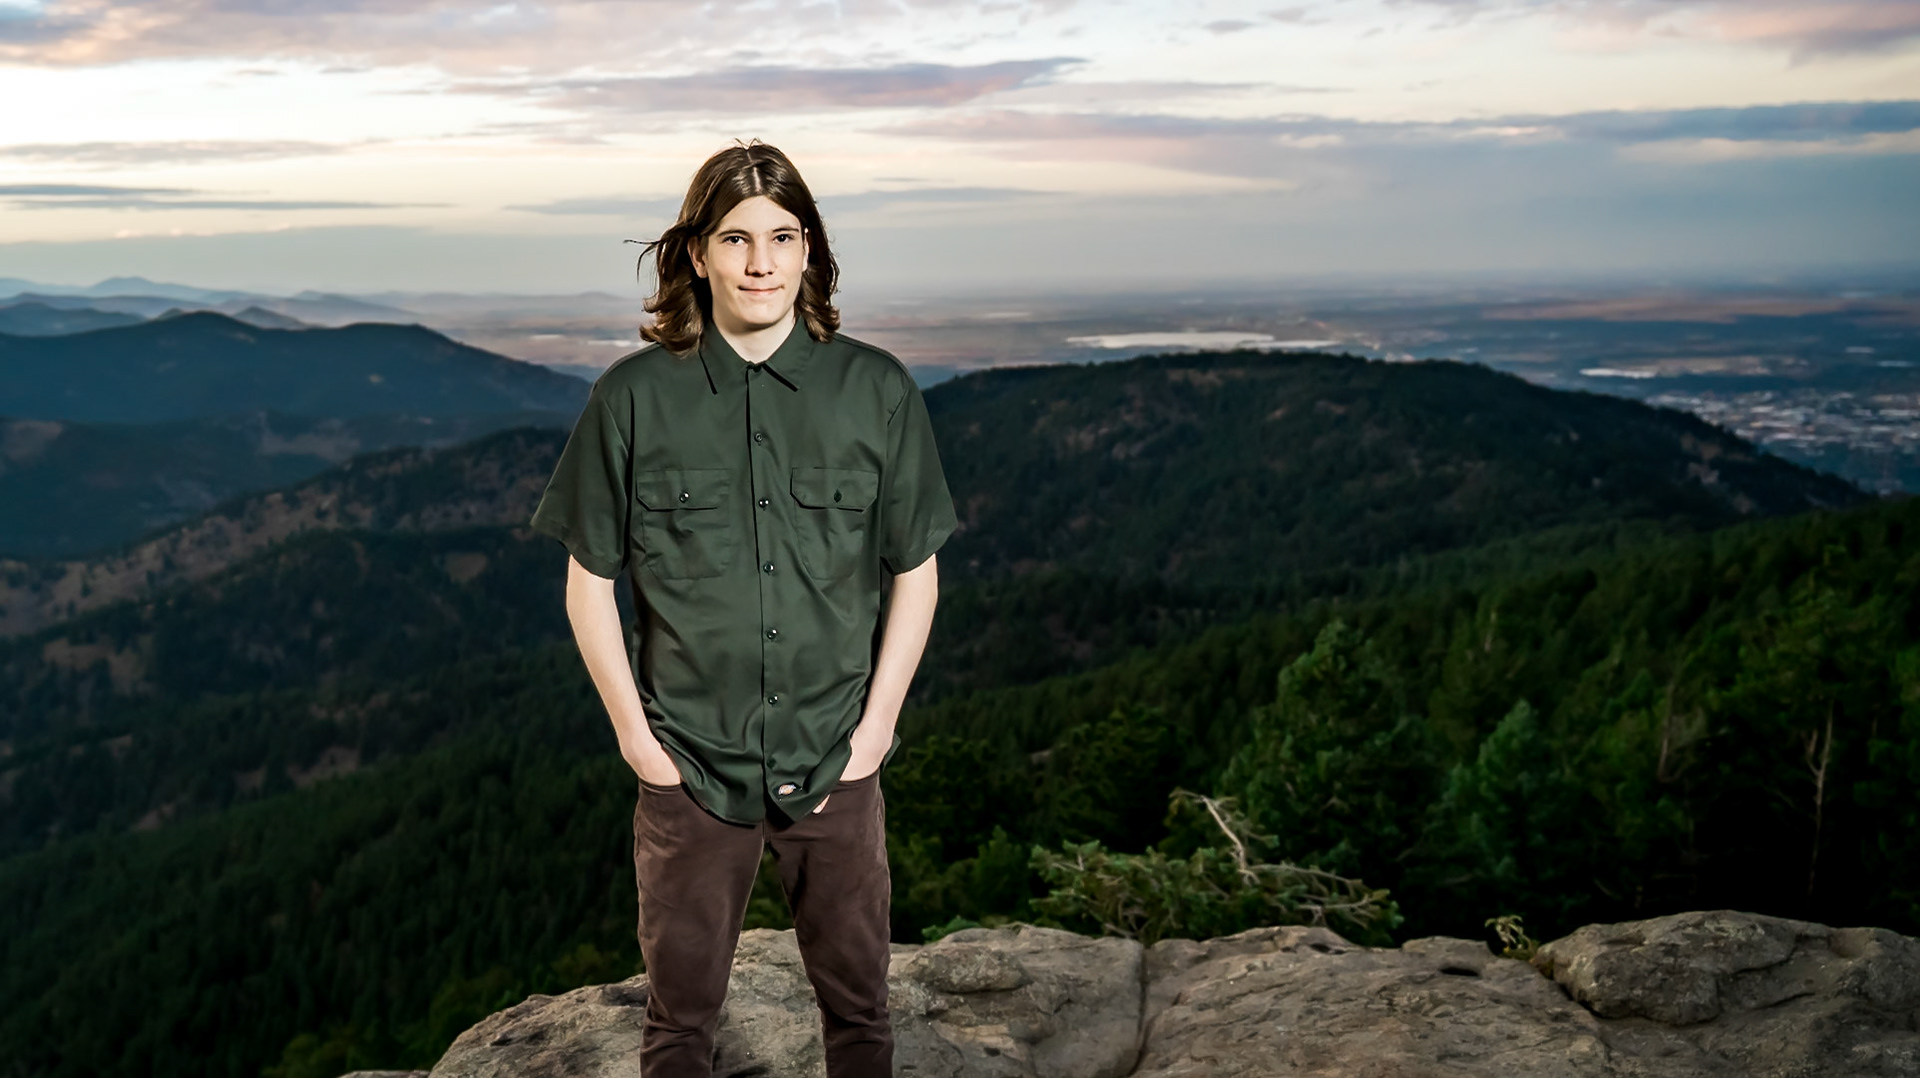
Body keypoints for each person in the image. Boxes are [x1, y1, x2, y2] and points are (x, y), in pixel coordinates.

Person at [526, 138, 957, 1077]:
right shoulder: (632, 398)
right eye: (735, 238)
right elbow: (587, 580)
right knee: (680, 1025)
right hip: (690, 765)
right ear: (697, 255)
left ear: (811, 252)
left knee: (861, 1012)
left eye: (782, 236)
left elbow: (915, 572)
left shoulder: (876, 390)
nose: (760, 261)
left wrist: (876, 732)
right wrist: (641, 744)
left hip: (836, 758)